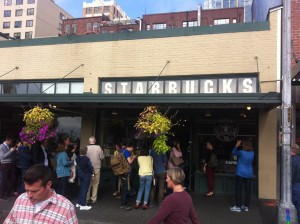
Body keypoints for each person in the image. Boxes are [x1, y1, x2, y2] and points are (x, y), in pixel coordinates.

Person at [4, 164, 78, 224]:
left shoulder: (66, 208)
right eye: (27, 190)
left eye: (34, 191)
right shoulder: (21, 199)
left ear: (48, 185)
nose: (29, 195)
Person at [230, 139, 254, 212]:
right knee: (247, 191)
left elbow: (233, 152)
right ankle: (246, 206)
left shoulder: (241, 152)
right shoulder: (252, 153)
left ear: (245, 145)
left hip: (240, 173)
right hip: (249, 174)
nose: (242, 145)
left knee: (238, 190)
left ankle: (238, 206)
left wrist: (237, 145)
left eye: (243, 144)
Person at [86, 136, 105, 204]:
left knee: (88, 183)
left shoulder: (86, 148)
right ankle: (93, 198)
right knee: (95, 184)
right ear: (95, 141)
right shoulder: (98, 147)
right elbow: (102, 157)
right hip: (96, 168)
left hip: (88, 168)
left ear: (89, 141)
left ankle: (87, 198)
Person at [119, 143, 136, 211]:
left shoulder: (121, 150)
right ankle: (123, 205)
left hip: (121, 171)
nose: (132, 150)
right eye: (132, 148)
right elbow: (129, 162)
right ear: (131, 147)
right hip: (126, 172)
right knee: (125, 188)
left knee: (124, 187)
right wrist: (133, 157)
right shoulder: (127, 152)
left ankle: (125, 202)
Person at [76, 146, 93, 211]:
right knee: (85, 189)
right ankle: (83, 205)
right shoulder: (87, 159)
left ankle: (78, 202)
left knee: (82, 188)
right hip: (86, 175)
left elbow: (76, 166)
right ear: (86, 151)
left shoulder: (77, 158)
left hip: (80, 174)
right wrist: (92, 172)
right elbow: (90, 167)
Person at [291, 144, 300, 223]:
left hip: (294, 185)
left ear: (292, 151)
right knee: (299, 206)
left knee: (288, 206)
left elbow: (291, 175)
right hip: (298, 185)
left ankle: (288, 221)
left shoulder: (292, 161)